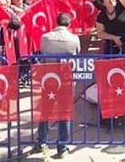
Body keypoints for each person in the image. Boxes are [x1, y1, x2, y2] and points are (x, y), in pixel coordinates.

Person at [31, 13, 80, 159]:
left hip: (49, 77)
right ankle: (62, 147)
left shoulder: (46, 37)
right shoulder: (74, 39)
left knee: (45, 110)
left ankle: (41, 141)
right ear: (69, 24)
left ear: (56, 22)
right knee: (64, 113)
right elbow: (77, 53)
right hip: (66, 78)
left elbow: (43, 52)